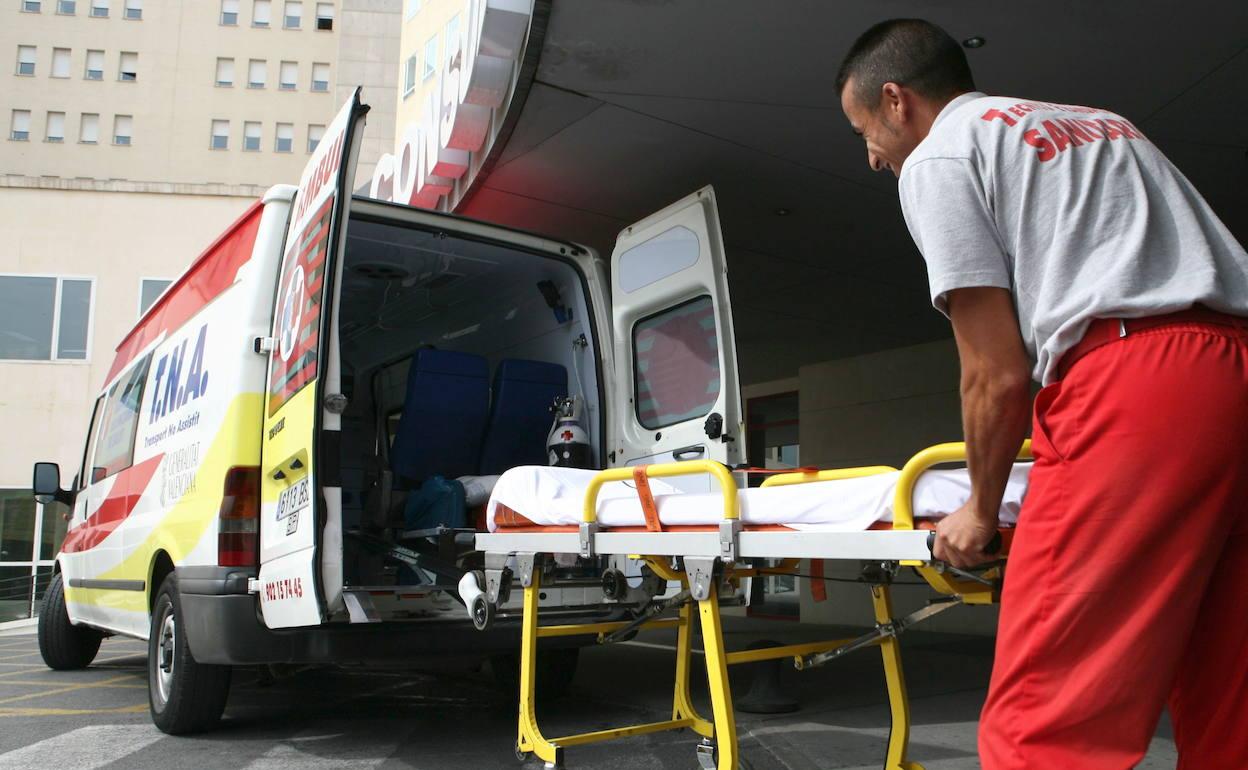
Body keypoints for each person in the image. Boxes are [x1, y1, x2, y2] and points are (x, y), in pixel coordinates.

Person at [836, 18, 1248, 770]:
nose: (872, 157)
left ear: (896, 101)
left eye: (864, 131)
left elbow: (995, 369)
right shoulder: (1104, 124)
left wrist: (979, 511)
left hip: (1136, 384)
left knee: (1045, 721)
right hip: (1235, 365)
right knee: (1229, 682)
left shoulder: (941, 156)